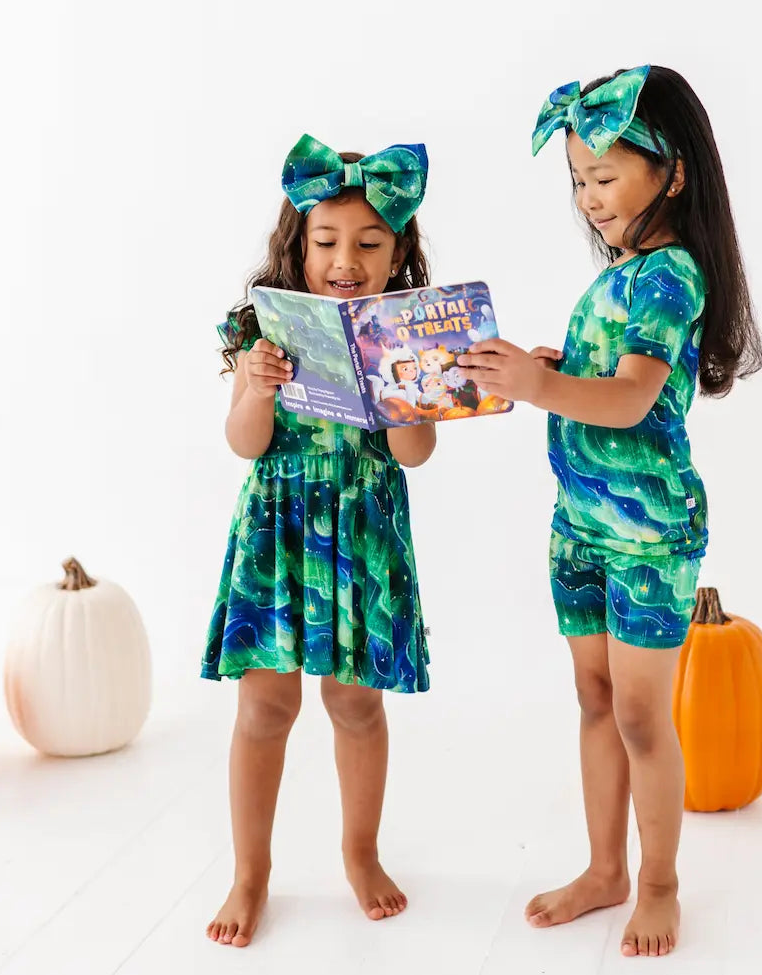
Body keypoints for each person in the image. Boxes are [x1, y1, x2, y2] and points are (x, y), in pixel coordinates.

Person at [458, 65, 762, 958]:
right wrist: (555, 367)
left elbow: (631, 399)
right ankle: (605, 867)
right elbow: (608, 380)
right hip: (580, 521)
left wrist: (539, 384)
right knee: (592, 697)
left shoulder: (669, 275)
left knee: (638, 715)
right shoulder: (625, 272)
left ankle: (660, 880)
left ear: (670, 172)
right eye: (577, 181)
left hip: (646, 533)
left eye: (604, 177)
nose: (588, 199)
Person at [202, 134, 436, 947]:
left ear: (397, 250)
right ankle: (250, 871)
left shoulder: (406, 333)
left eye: (370, 243)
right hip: (279, 526)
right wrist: (257, 388)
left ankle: (359, 850)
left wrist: (402, 398)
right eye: (327, 241)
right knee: (265, 705)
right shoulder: (261, 328)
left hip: (362, 531)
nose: (347, 259)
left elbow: (415, 454)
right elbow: (242, 441)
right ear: (296, 245)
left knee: (355, 703)